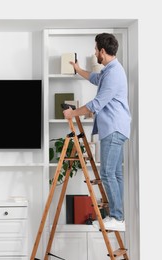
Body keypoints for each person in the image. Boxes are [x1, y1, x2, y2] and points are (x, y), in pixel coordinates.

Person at [63, 33, 131, 232]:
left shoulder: (114, 73)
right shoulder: (110, 70)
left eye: (95, 50)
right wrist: (78, 70)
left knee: (107, 173)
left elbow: (96, 104)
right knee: (116, 174)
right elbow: (94, 78)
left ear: (102, 51)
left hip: (113, 128)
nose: (94, 53)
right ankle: (118, 216)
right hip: (117, 128)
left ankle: (117, 217)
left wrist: (72, 113)